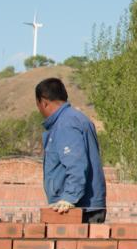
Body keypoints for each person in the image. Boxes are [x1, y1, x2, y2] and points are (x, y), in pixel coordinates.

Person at [35, 77, 107, 223]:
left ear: (43, 102)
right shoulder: (76, 118)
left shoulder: (65, 124)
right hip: (84, 206)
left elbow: (76, 164)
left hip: (79, 209)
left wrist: (69, 197)